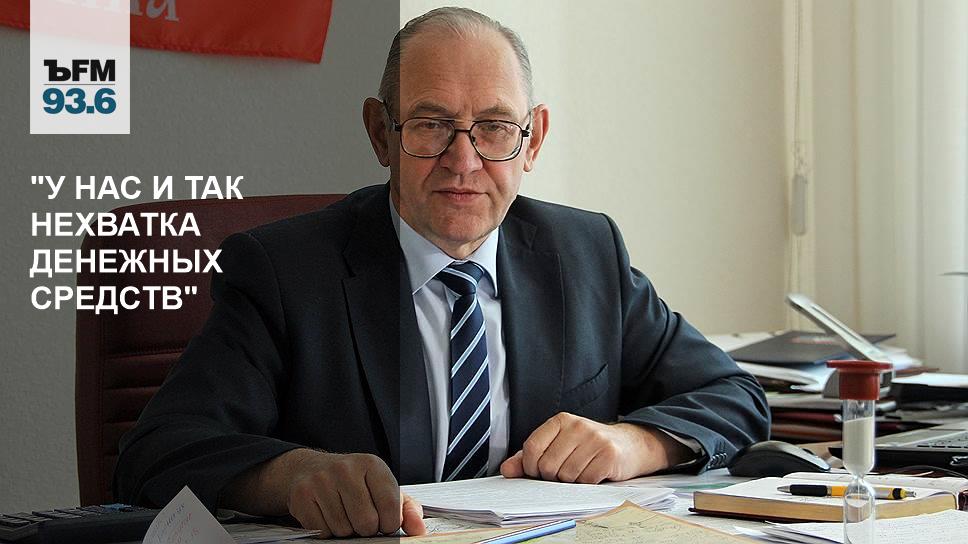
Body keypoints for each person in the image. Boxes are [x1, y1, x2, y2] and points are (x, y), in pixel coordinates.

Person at [114, 7, 769, 539]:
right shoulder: (285, 273)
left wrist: (635, 444)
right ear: (381, 134)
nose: (464, 160)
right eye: (432, 125)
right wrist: (288, 477)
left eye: (494, 127)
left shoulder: (585, 252)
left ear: (533, 139)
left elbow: (733, 394)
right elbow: (158, 450)